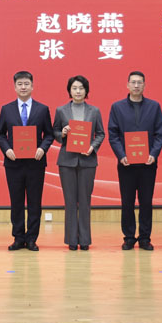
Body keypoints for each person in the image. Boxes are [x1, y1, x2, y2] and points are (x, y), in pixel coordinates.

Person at [0, 71, 54, 251]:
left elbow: (49, 134)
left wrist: (42, 148)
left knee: (35, 202)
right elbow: (0, 134)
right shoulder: (6, 109)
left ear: (32, 86)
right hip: (13, 163)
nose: (23, 87)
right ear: (14, 87)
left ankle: (32, 239)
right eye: (20, 84)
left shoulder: (42, 109)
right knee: (16, 202)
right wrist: (7, 149)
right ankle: (18, 237)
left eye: (26, 84)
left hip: (35, 163)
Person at [108, 71, 162, 251]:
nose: (136, 85)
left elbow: (160, 133)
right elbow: (113, 134)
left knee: (146, 202)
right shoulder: (117, 107)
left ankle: (145, 238)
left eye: (140, 82)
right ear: (127, 85)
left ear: (144, 85)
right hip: (126, 164)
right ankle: (129, 237)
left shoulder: (154, 106)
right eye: (133, 82)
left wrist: (154, 154)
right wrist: (121, 155)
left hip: (148, 163)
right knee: (127, 202)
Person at [52, 75, 105, 251]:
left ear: (86, 91)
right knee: (70, 201)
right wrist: (62, 133)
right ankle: (71, 240)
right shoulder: (61, 110)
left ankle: (85, 240)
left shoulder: (94, 111)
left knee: (84, 201)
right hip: (67, 161)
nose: (78, 91)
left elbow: (101, 134)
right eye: (74, 88)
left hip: (87, 160)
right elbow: (55, 132)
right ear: (69, 90)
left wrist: (92, 147)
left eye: (81, 88)